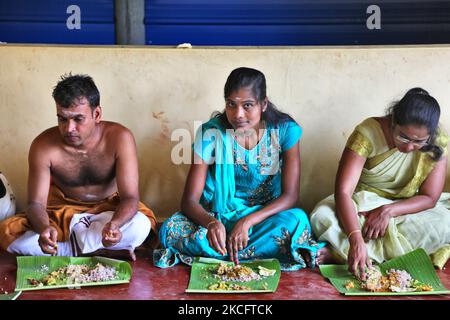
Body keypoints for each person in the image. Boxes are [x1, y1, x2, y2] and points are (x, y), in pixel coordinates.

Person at [154, 67, 324, 270]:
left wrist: (246, 222)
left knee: (296, 221)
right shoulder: (211, 132)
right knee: (171, 228)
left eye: (248, 105)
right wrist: (211, 224)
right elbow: (189, 201)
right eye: (231, 105)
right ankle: (248, 250)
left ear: (263, 104)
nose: (238, 114)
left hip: (263, 218)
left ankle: (223, 252)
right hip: (218, 216)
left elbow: (290, 196)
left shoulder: (285, 130)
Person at [0, 74, 156, 260]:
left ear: (96, 114)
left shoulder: (120, 138)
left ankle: (66, 251)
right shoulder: (42, 146)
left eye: (78, 119)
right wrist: (44, 229)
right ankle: (94, 250)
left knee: (141, 225)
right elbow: (35, 203)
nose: (69, 128)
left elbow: (130, 197)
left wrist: (115, 225)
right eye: (62, 119)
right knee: (7, 232)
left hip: (107, 212)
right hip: (60, 214)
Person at [310, 88, 450, 278]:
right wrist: (355, 238)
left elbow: (429, 197)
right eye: (403, 136)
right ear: (393, 121)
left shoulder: (438, 142)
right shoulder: (367, 133)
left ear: (430, 136)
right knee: (321, 215)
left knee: (444, 223)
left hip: (405, 208)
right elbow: (343, 192)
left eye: (419, 142)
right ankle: (361, 251)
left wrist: (387, 211)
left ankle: (341, 254)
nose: (409, 147)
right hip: (363, 205)